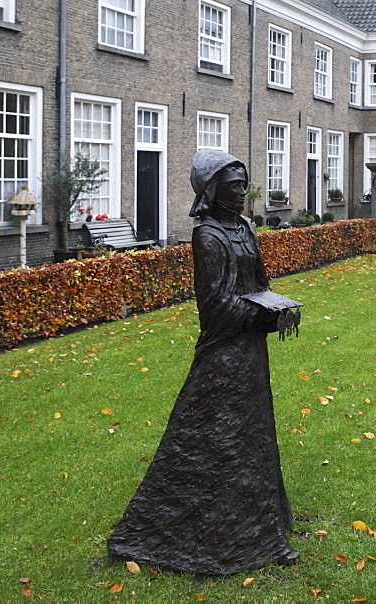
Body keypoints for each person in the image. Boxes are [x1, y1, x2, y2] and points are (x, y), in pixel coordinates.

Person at [107, 151, 300, 576]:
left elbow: (259, 285)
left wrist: (279, 307)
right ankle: (210, 531)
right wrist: (264, 314)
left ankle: (264, 527)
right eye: (233, 187)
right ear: (212, 191)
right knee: (219, 441)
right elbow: (217, 308)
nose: (242, 193)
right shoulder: (207, 237)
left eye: (243, 186)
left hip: (250, 352)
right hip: (223, 355)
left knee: (253, 437)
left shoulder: (247, 228)